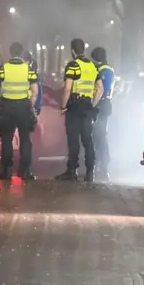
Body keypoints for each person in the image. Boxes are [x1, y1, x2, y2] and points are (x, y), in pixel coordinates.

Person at [55, 38, 103, 183]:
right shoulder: (92, 67)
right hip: (87, 106)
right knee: (88, 140)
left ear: (72, 51)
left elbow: (68, 88)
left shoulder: (73, 66)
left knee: (74, 140)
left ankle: (72, 171)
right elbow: (100, 89)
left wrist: (63, 107)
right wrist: (92, 104)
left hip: (74, 107)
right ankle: (90, 171)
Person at [0, 42, 39, 181]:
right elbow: (35, 91)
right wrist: (30, 106)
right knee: (25, 140)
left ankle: (6, 171)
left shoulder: (2, 69)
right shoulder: (29, 70)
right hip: (23, 107)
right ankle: (25, 171)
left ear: (10, 53)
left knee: (6, 139)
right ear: (21, 53)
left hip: (6, 107)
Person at [91, 46, 115, 181]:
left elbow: (101, 91)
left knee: (99, 136)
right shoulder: (109, 69)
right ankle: (102, 165)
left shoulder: (102, 70)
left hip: (100, 105)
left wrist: (93, 105)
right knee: (101, 136)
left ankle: (102, 166)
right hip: (105, 105)